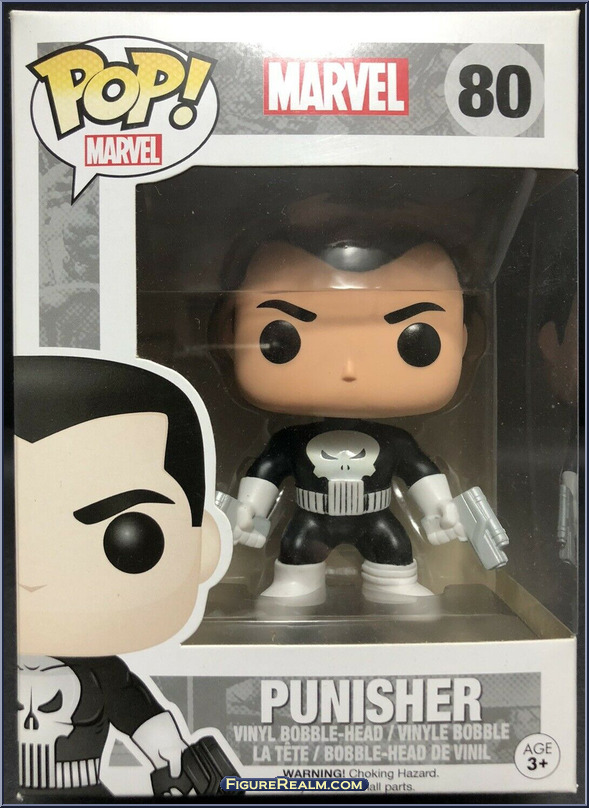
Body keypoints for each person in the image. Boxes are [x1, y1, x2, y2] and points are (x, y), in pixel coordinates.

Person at [14, 355, 233, 799]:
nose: (32, 574)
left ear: (203, 548)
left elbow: (141, 716)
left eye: (128, 538)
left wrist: (172, 757)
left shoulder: (103, 675)